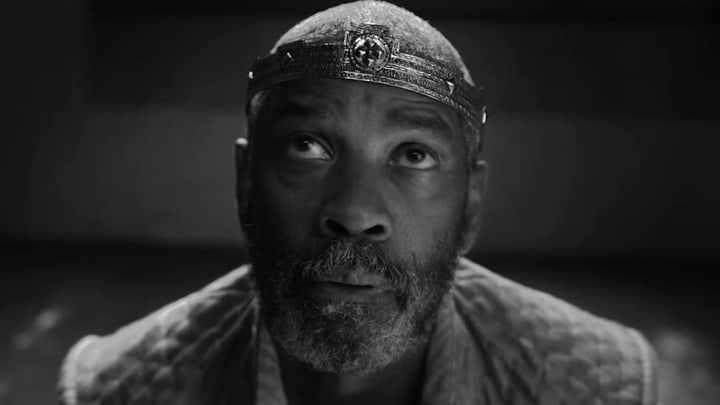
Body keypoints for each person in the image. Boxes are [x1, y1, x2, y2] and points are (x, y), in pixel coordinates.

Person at [58, 1, 659, 404]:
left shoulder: (597, 385)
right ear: (246, 182)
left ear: (471, 203)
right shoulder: (117, 388)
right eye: (308, 146)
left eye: (413, 155)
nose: (354, 212)